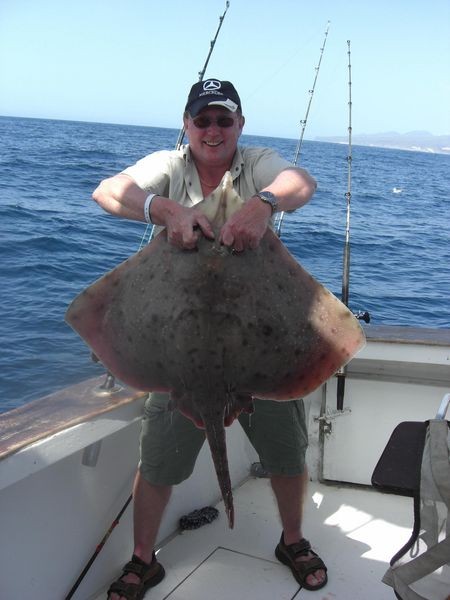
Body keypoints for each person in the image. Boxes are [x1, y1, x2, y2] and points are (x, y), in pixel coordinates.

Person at [93, 78, 327, 599]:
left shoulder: (257, 164)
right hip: (179, 351)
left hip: (259, 347)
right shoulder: (169, 166)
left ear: (240, 125)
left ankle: (293, 540)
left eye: (224, 119)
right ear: (187, 125)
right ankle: (143, 558)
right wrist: (165, 210)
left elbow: (302, 182)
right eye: (202, 120)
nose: (213, 130)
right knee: (159, 462)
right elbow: (107, 190)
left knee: (288, 455)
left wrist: (263, 204)